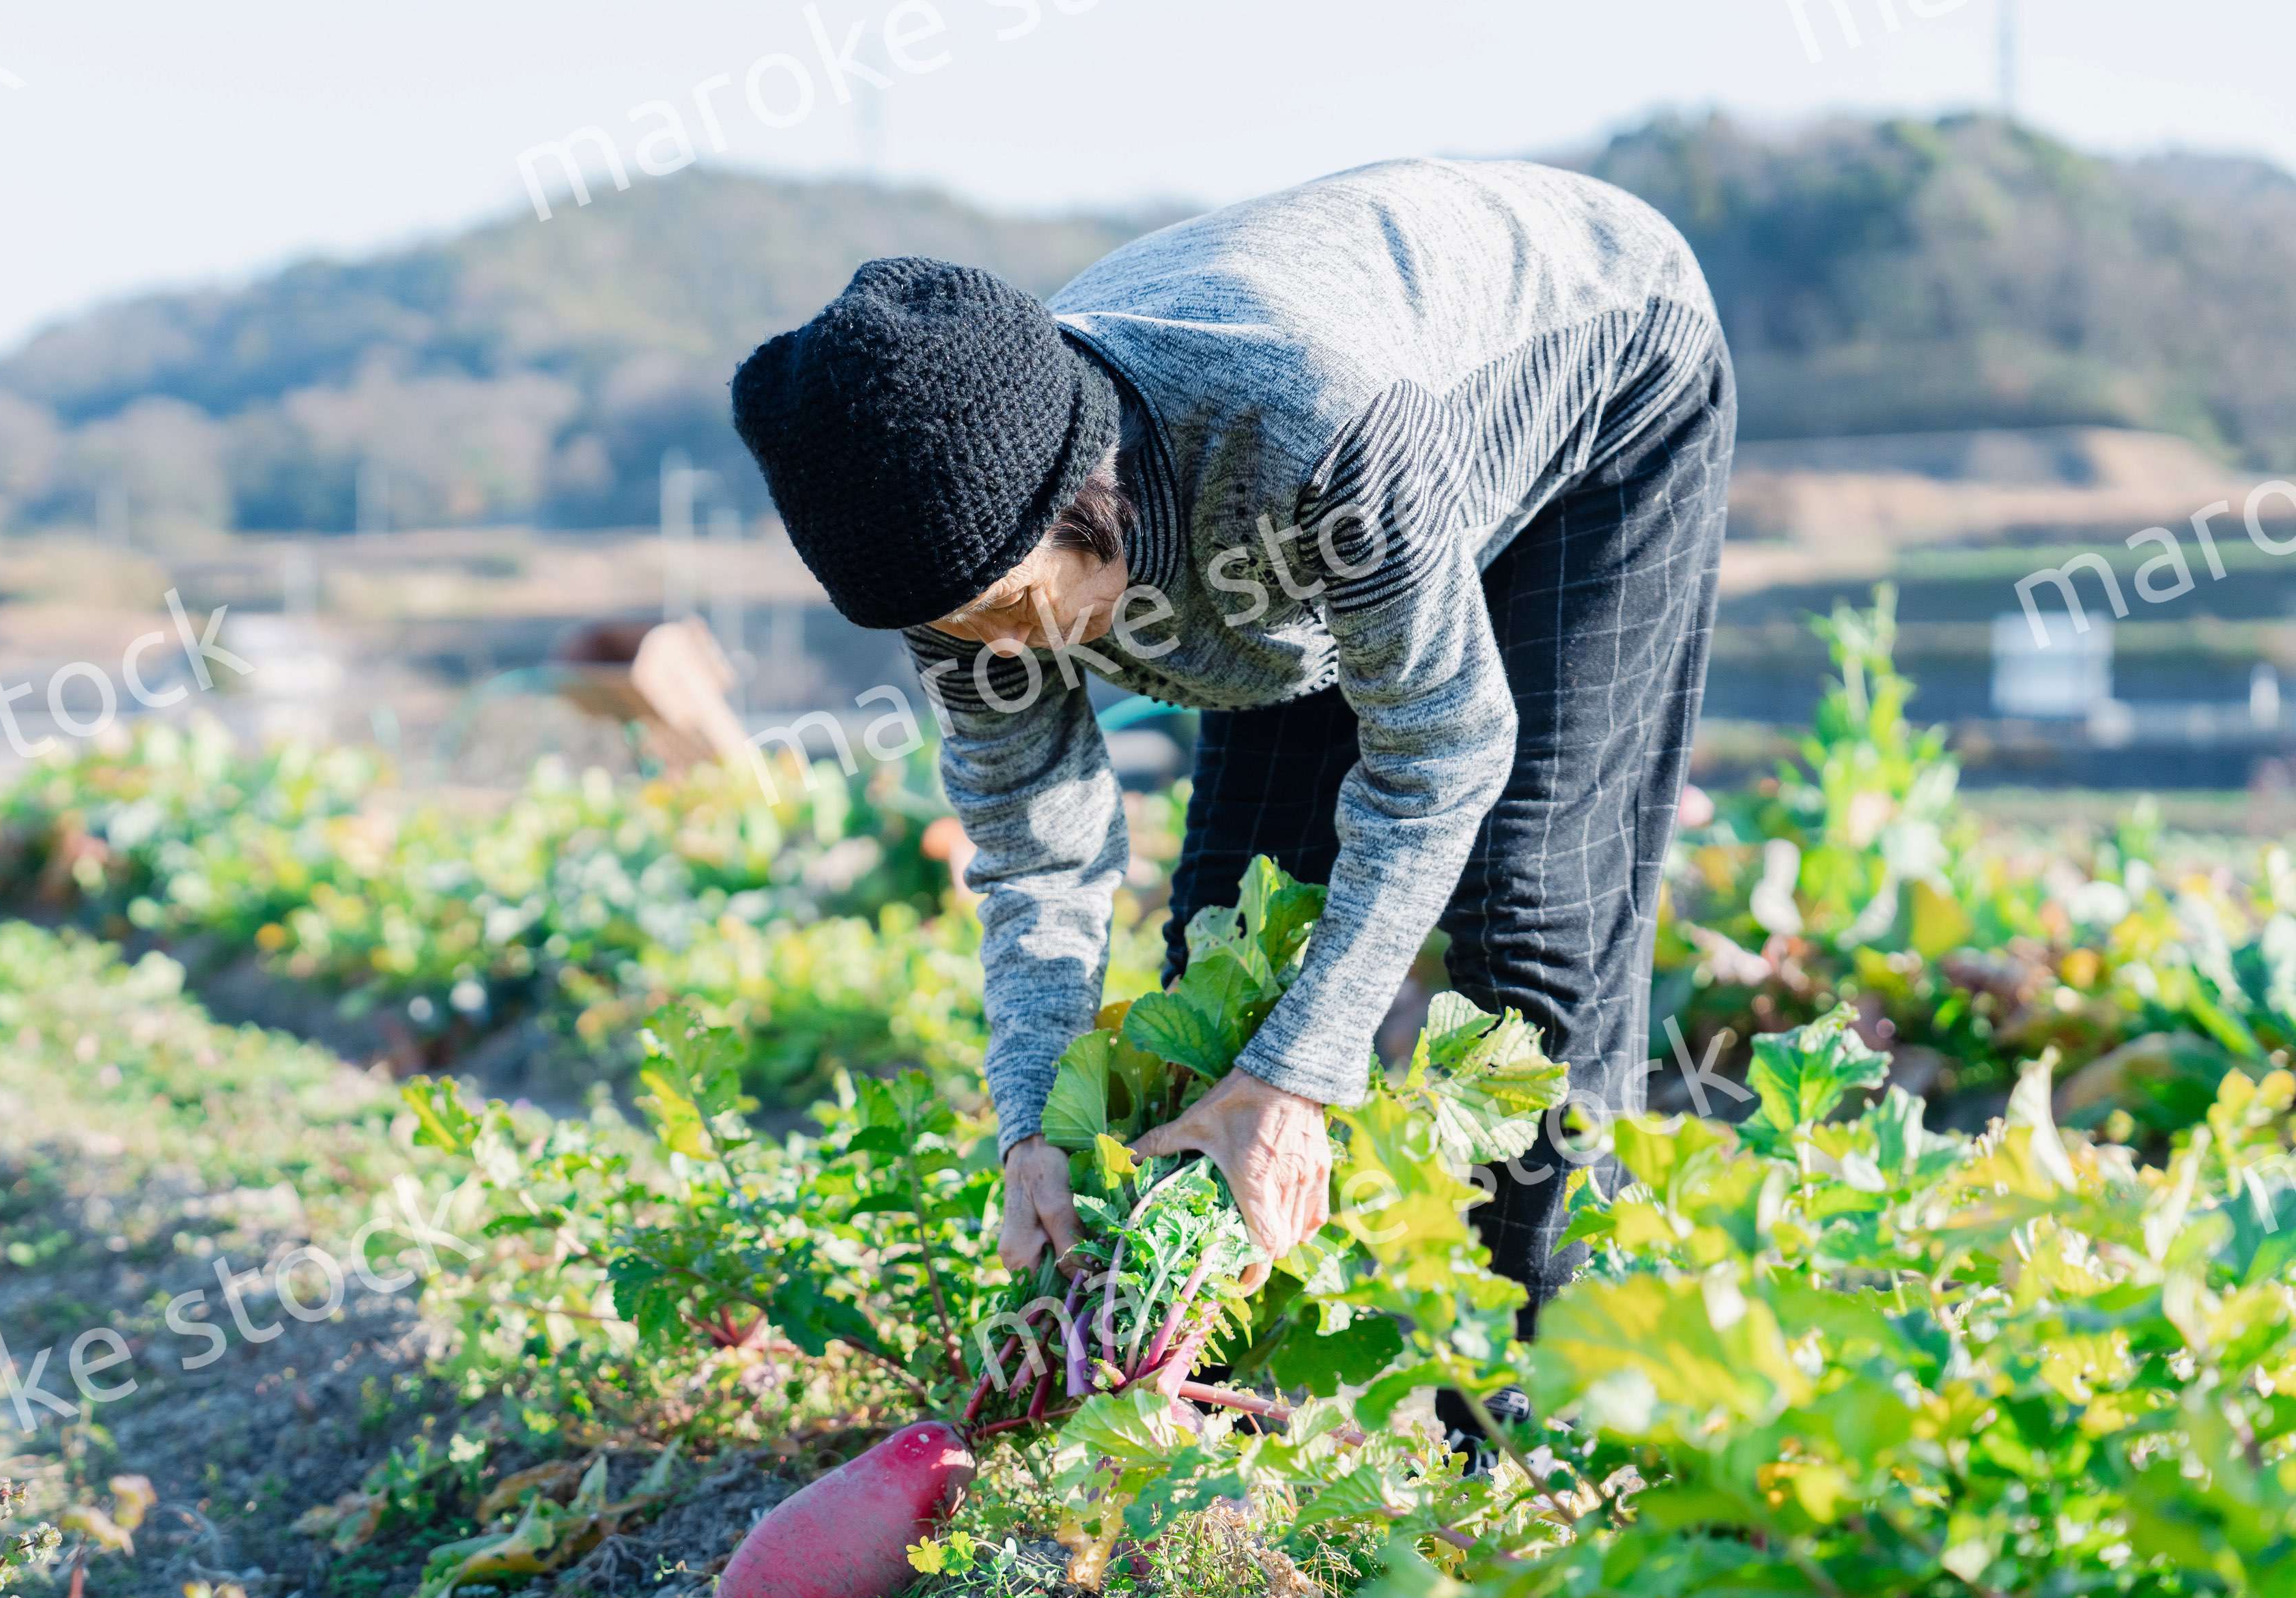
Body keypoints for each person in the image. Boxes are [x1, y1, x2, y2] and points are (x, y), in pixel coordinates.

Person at [728, 158, 1733, 1404]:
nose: (993, 654)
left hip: (1601, 384)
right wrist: (1033, 1125)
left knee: (1529, 925)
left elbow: (1439, 755)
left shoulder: (1310, 425)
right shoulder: (948, 560)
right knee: (1221, 964)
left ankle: (1537, 1434)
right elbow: (1040, 848)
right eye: (950, 631)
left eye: (1007, 609)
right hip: (1288, 534)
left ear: (1088, 490)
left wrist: (1303, 1076)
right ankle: (1239, 1424)